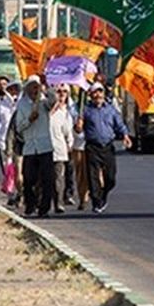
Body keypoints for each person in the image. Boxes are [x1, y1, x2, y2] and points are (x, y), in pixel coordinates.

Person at [80, 83, 131, 214]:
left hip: (107, 146)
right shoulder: (85, 110)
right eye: (95, 93)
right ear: (90, 95)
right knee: (93, 177)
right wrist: (78, 126)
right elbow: (78, 129)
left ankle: (103, 195)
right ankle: (96, 202)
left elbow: (119, 124)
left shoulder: (110, 109)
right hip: (92, 146)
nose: (98, 95)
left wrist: (125, 136)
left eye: (100, 92)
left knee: (111, 178)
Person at [14, 75, 55, 217]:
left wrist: (47, 86)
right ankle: (30, 205)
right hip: (30, 148)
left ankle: (44, 209)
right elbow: (18, 127)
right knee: (29, 179)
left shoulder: (44, 102)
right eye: (32, 86)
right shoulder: (22, 105)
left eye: (37, 86)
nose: (35, 89)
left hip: (45, 147)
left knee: (48, 180)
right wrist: (29, 120)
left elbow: (53, 102)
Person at [49, 84, 75, 214]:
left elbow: (67, 131)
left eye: (64, 92)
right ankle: (41, 204)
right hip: (42, 149)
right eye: (58, 92)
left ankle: (58, 203)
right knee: (41, 179)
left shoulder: (64, 113)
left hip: (58, 150)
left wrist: (70, 144)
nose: (61, 94)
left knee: (58, 178)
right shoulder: (43, 111)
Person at [0, 79, 17, 195]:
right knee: (7, 168)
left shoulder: (20, 104)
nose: (14, 92)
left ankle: (17, 191)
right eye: (12, 89)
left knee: (17, 169)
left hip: (17, 142)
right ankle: (11, 192)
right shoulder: (1, 106)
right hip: (3, 142)